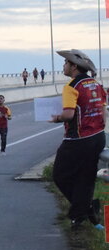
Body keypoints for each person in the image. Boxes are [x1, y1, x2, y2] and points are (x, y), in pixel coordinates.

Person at [51, 49, 107, 229]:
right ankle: (82, 215)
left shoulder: (71, 87)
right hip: (98, 136)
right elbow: (103, 112)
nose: (64, 66)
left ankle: (84, 209)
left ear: (74, 66)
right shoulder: (96, 84)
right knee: (86, 177)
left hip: (79, 140)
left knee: (60, 175)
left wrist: (56, 118)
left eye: (66, 63)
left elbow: (68, 115)